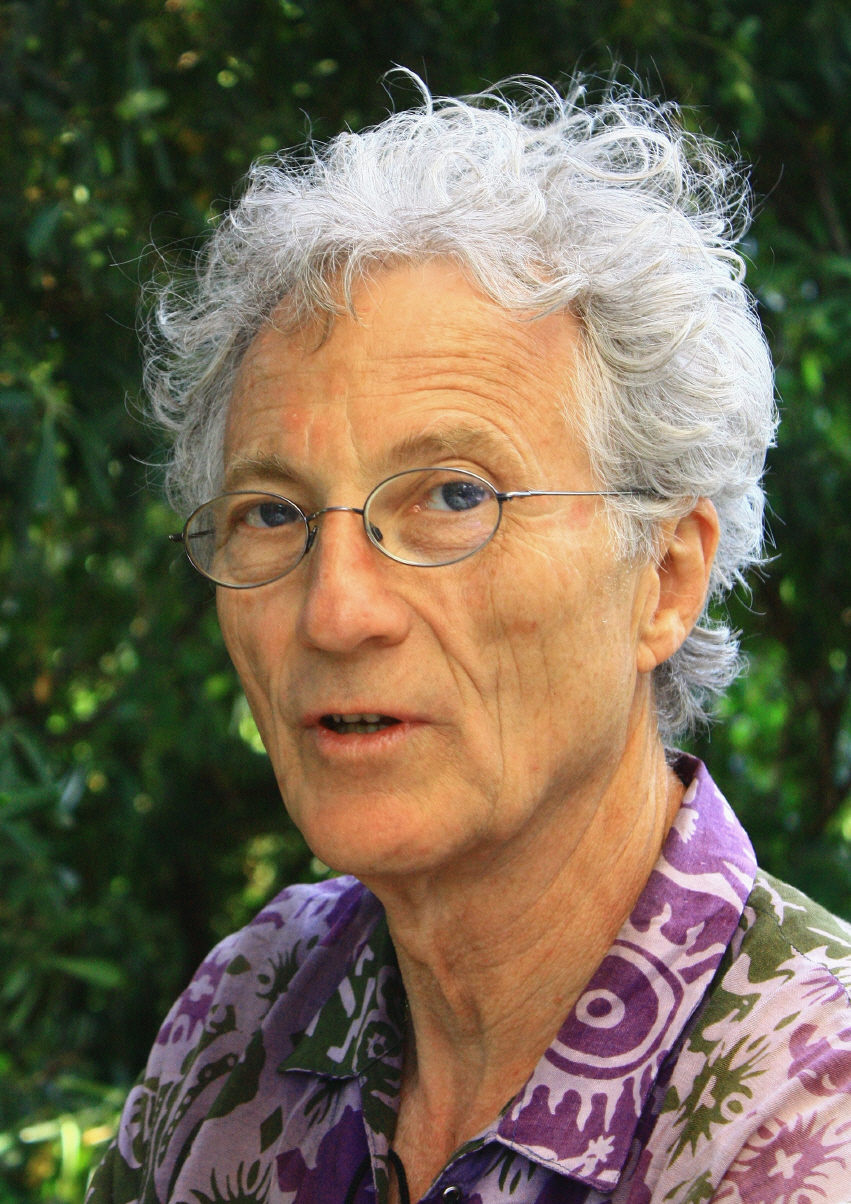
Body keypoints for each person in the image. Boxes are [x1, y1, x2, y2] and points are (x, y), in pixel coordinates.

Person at [88, 77, 851, 1204]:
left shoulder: (807, 1109)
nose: (336, 610)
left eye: (453, 496)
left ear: (664, 578)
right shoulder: (248, 1009)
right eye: (273, 512)